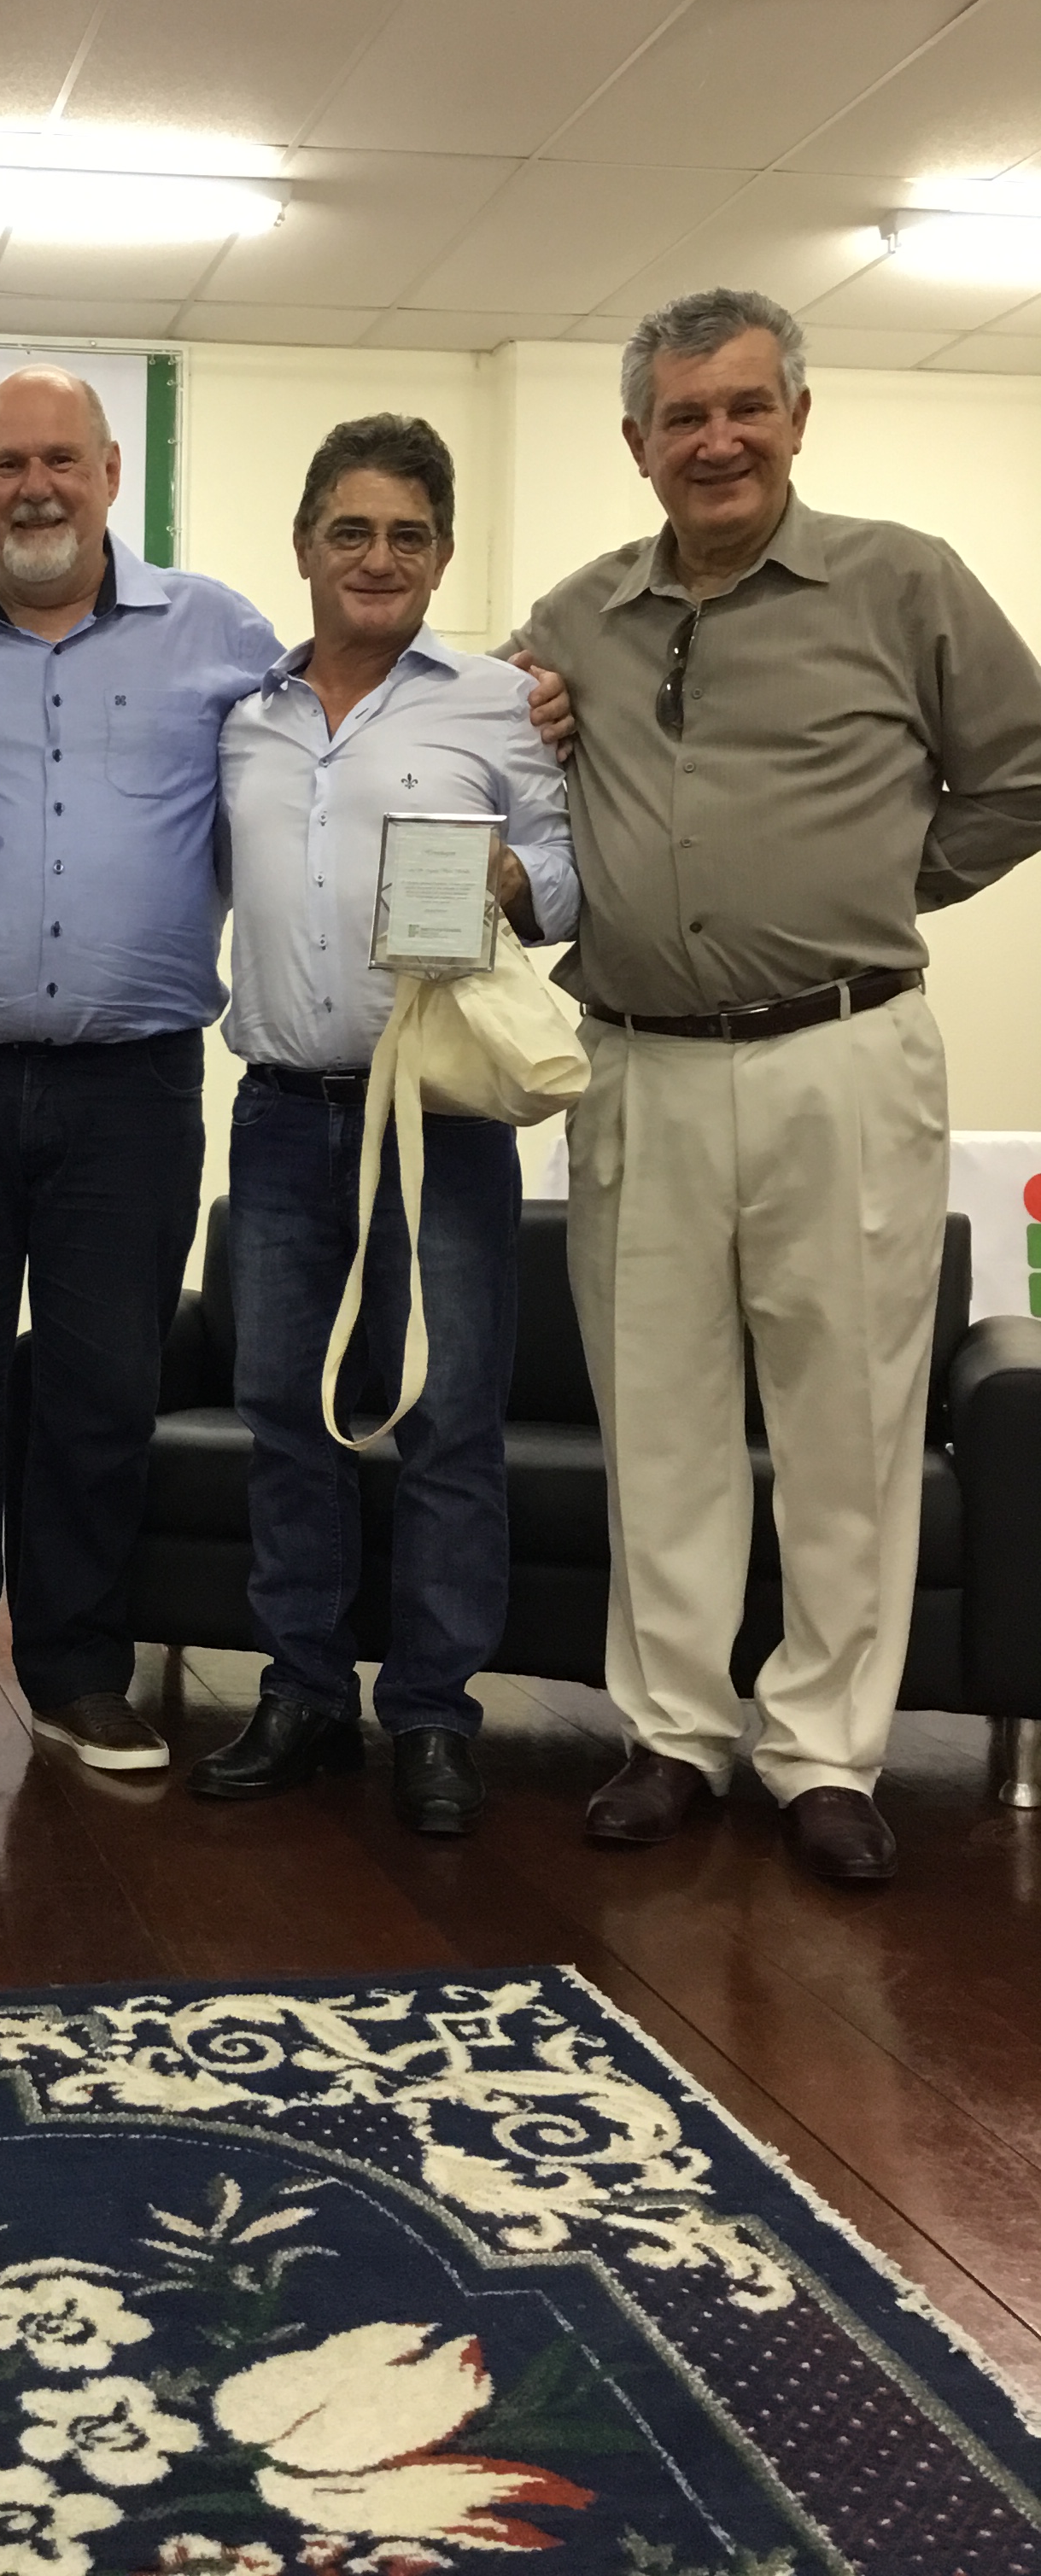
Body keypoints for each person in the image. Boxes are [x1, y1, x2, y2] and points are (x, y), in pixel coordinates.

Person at [0, 366, 570, 1777]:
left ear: (111, 473)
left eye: (63, 459)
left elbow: (442, 777)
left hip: (138, 1090)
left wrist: (535, 738)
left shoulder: (224, 641)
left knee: (104, 1393)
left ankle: (82, 1676)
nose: (37, 486)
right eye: (6, 464)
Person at [513, 286, 1041, 1884]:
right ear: (638, 442)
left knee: (850, 1417)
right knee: (656, 1411)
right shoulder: (576, 618)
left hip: (845, 1054)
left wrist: (880, 885)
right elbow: (511, 796)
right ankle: (675, 1731)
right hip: (640, 1063)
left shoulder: (904, 581)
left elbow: (1023, 773)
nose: (719, 439)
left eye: (748, 406)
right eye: (685, 415)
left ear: (798, 418)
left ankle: (824, 1751)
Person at [193, 415, 576, 1831]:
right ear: (304, 546)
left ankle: (431, 1715)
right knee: (284, 1413)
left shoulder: (502, 702)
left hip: (445, 1121)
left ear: (444, 555)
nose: (378, 557)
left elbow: (571, 877)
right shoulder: (242, 716)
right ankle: (302, 1694)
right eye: (350, 531)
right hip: (281, 1116)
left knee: (449, 1420)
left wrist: (511, 883)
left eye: (408, 535)